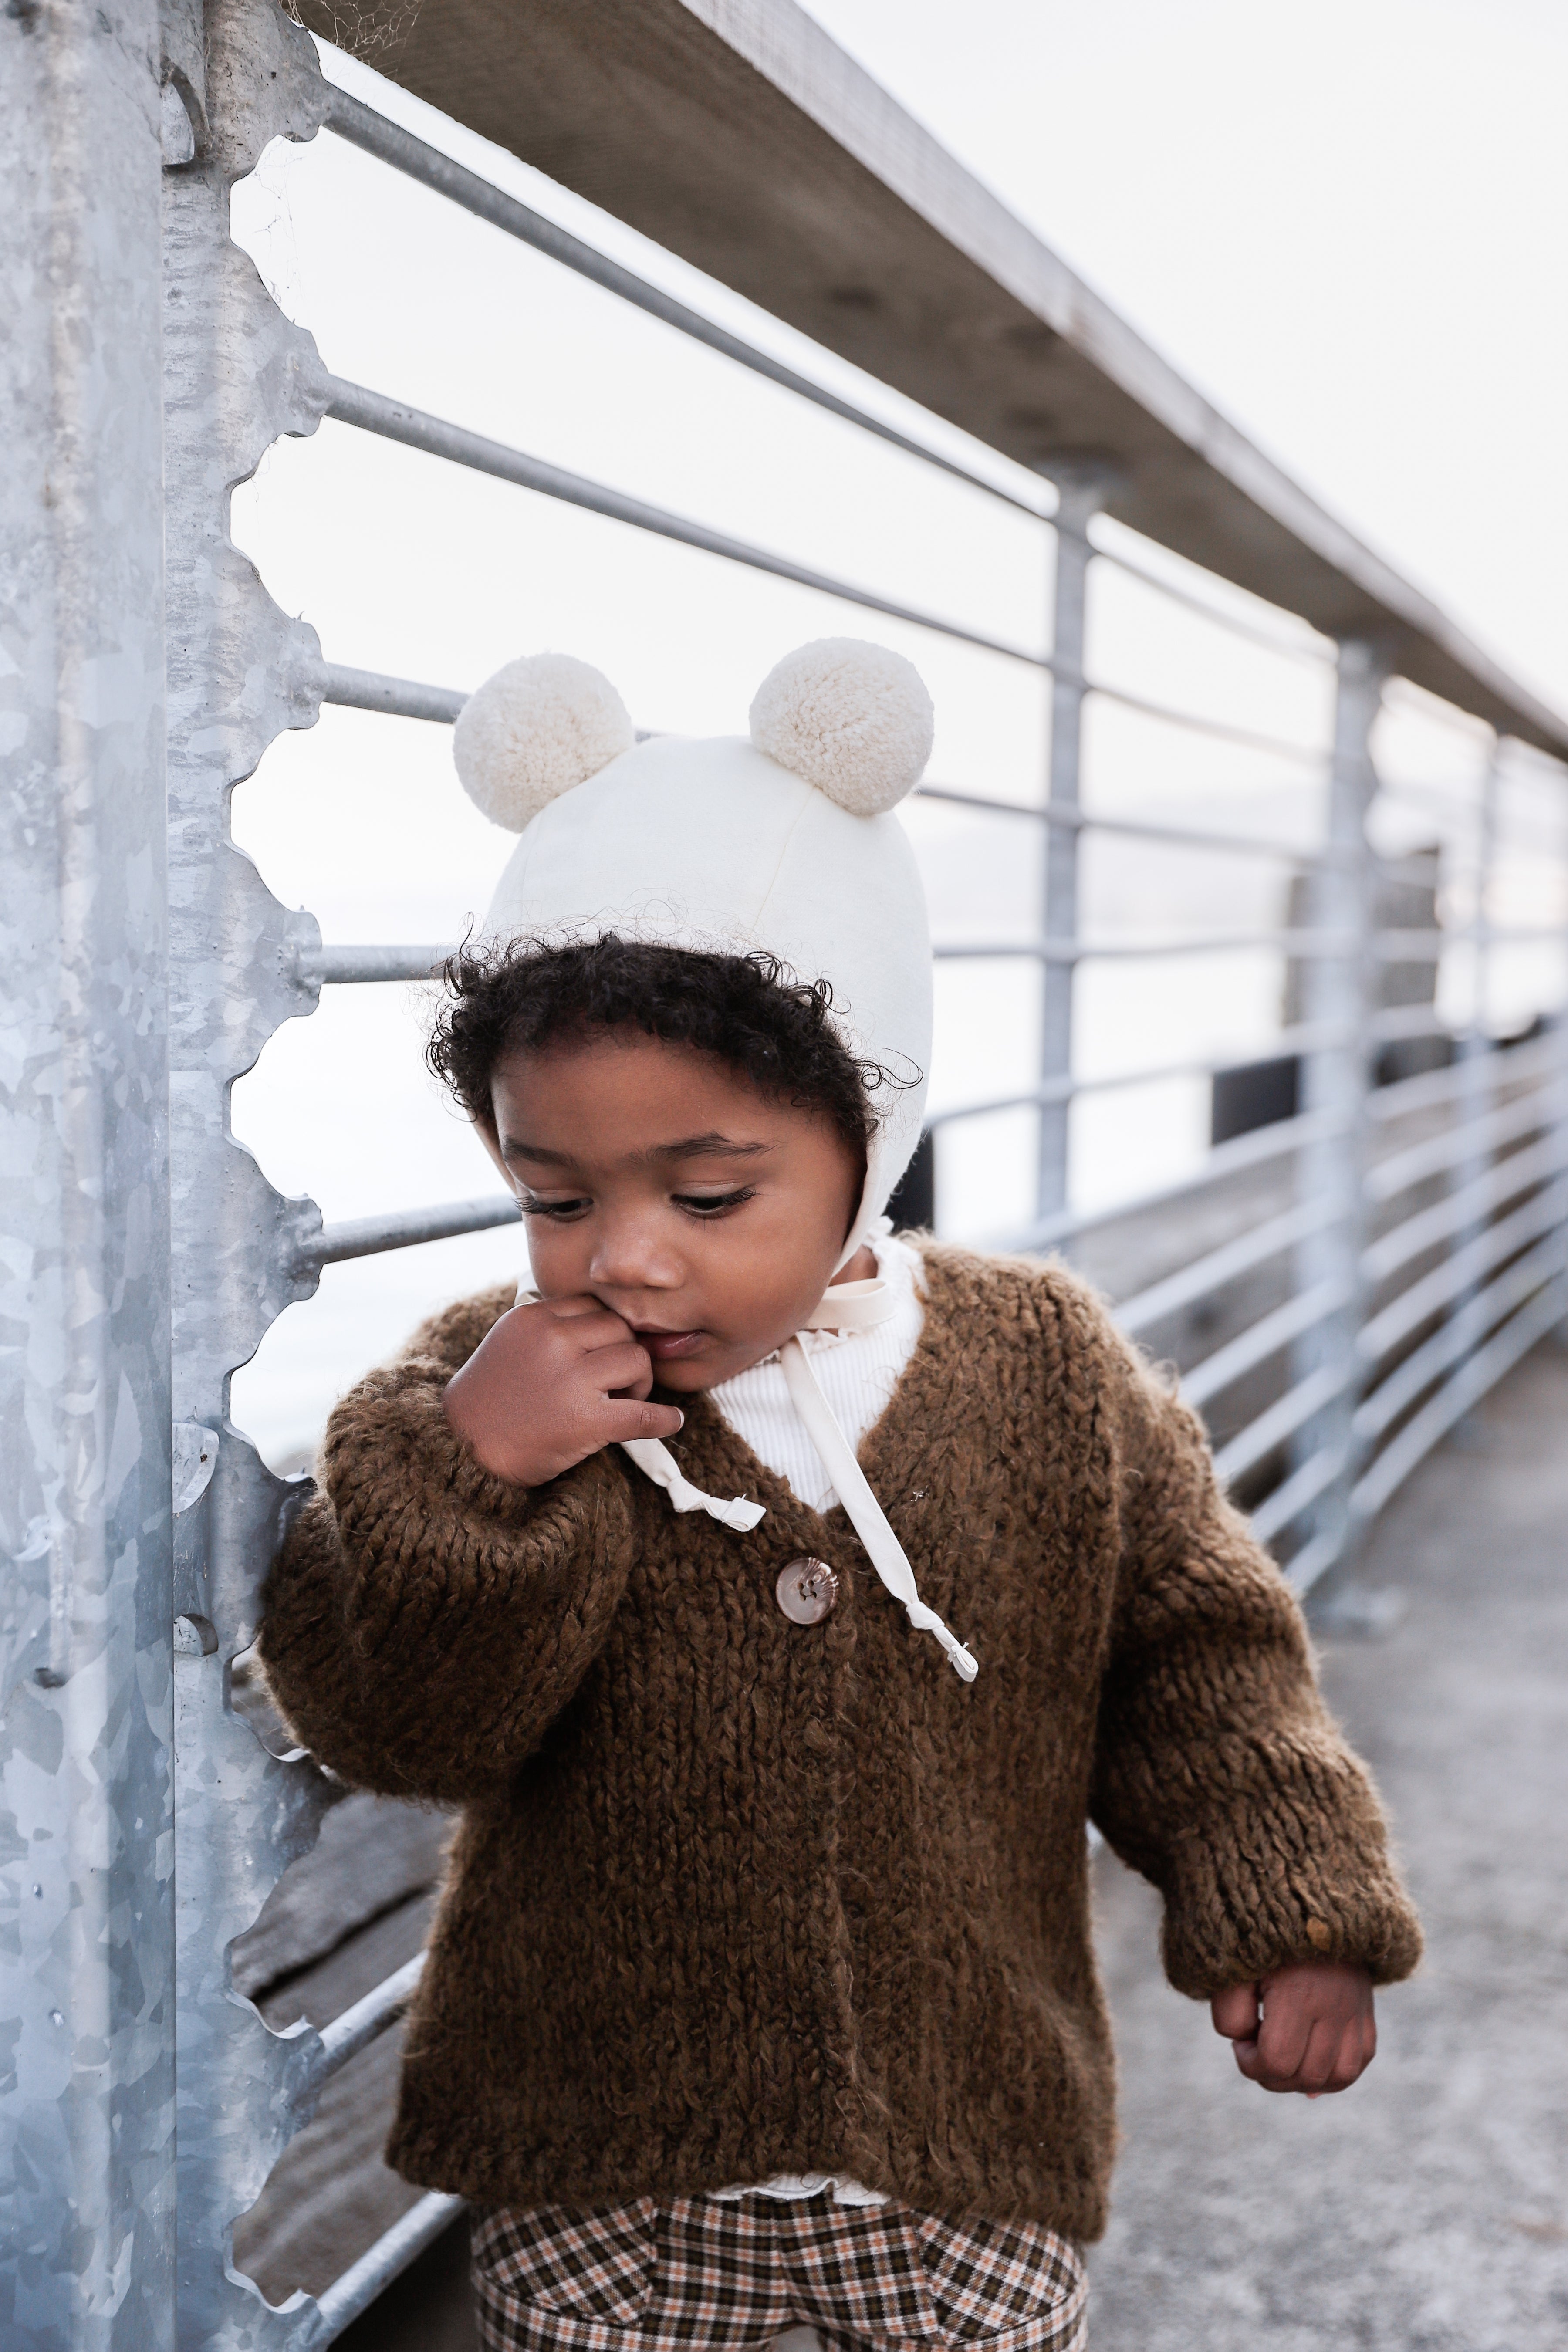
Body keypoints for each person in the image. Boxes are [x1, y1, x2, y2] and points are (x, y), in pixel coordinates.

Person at [259, 639, 1421, 2352]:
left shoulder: (1048, 1371)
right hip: (601, 2177)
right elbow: (399, 1725)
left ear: (872, 1133)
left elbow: (1205, 1665)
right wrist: (476, 1471)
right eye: (555, 1195)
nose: (626, 1256)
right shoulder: (471, 1388)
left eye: (712, 1191)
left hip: (961, 2162)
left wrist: (1290, 1907)